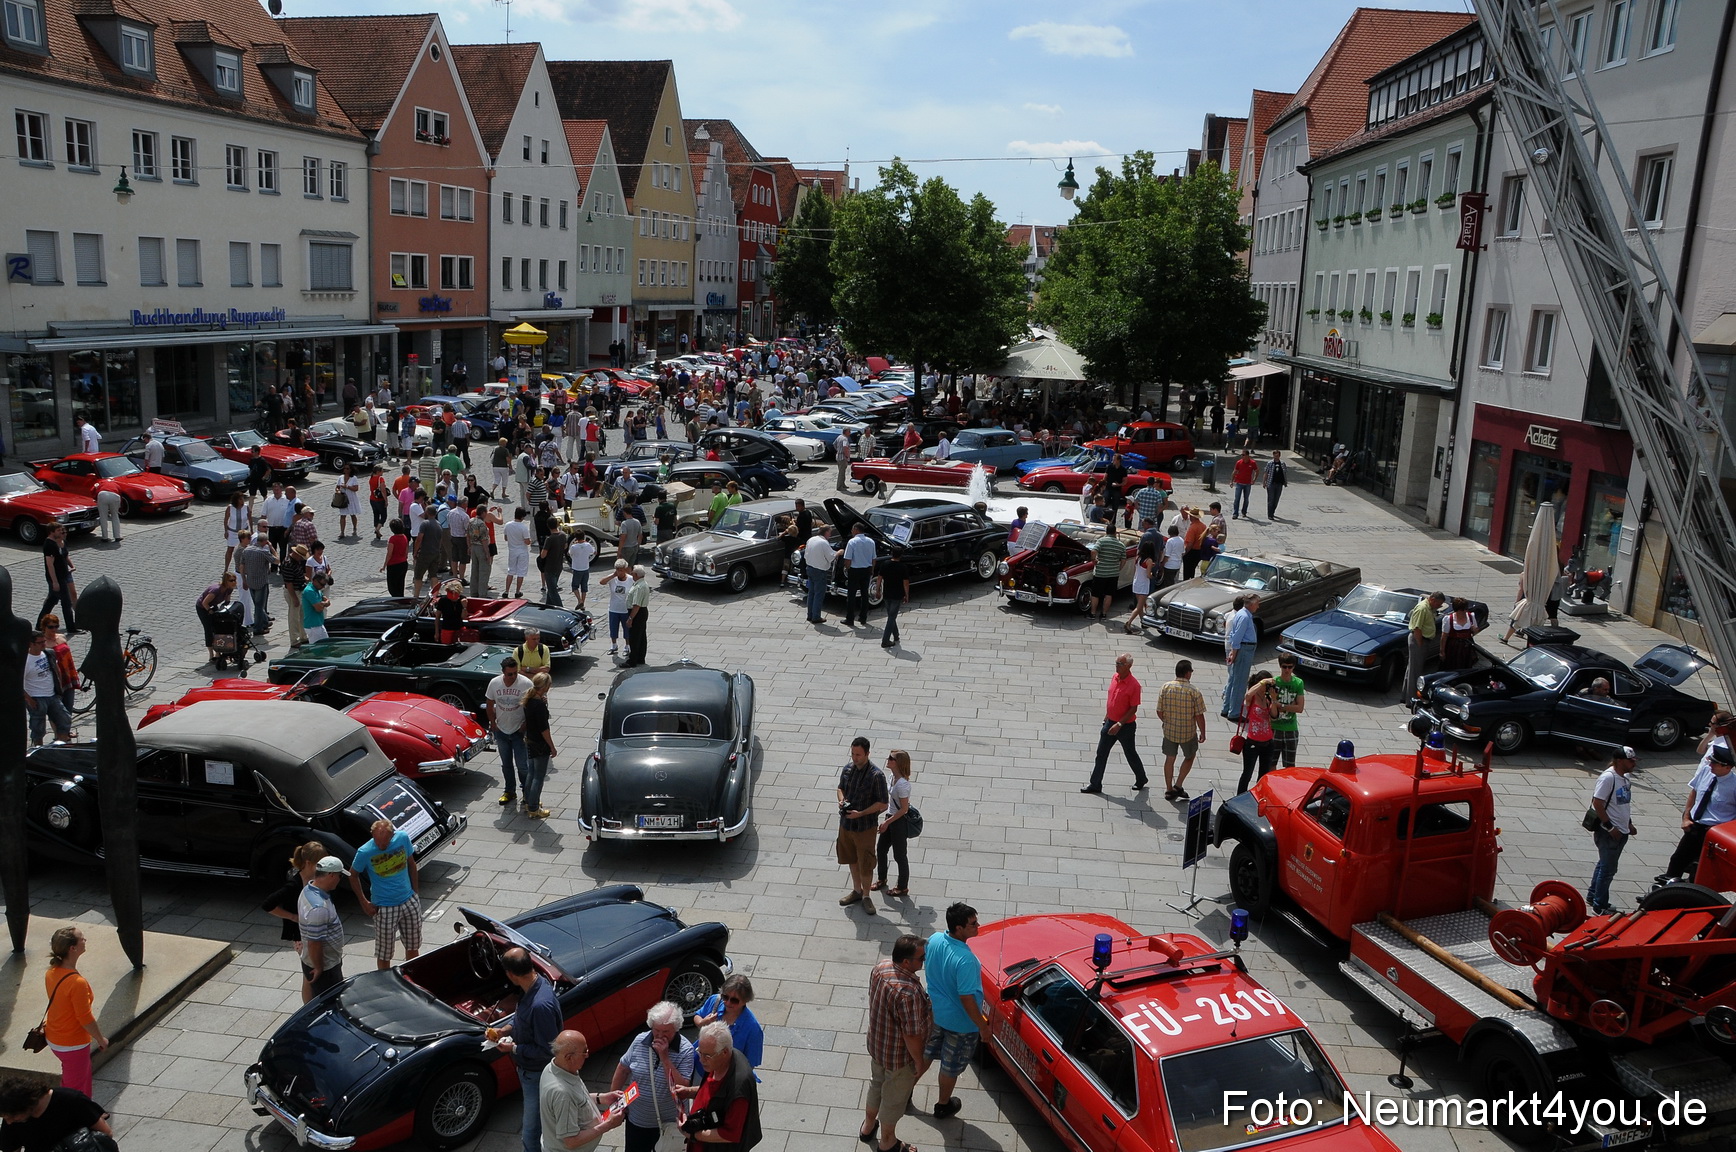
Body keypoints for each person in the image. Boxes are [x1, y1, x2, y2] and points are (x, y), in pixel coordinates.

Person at [862, 935, 932, 1152]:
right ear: (906, 962)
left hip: (878, 1044)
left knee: (876, 1084)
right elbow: (911, 1034)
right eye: (921, 958)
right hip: (899, 1056)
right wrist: (919, 1061)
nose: (924, 961)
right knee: (893, 1098)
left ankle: (867, 1127)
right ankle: (888, 1142)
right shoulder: (908, 992)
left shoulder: (881, 967)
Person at [492, 948, 564, 1152]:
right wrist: (505, 1029)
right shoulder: (533, 986)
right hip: (530, 1073)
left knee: (531, 1130)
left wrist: (513, 1048)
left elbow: (547, 1049)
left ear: (510, 974)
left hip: (537, 1074)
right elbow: (522, 1019)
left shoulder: (540, 1005)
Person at [925, 903, 985, 1120]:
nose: (978, 926)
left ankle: (903, 1094)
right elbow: (967, 998)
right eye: (972, 924)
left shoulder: (933, 940)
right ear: (958, 928)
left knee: (926, 1055)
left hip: (935, 1014)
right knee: (950, 1066)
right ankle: (943, 1105)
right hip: (961, 1024)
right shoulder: (966, 960)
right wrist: (983, 1027)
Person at [611, 1002, 696, 1152]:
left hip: (669, 1123)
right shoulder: (640, 1040)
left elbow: (682, 1086)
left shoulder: (686, 1050)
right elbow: (623, 1069)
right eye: (657, 1030)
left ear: (676, 1029)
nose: (660, 1035)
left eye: (666, 1031)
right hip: (638, 1120)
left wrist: (665, 1058)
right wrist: (615, 1103)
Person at [672, 1022, 761, 1152]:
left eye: (707, 1055)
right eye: (699, 1052)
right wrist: (689, 1092)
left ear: (724, 1052)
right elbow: (712, 1091)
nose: (701, 1059)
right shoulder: (716, 1061)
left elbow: (730, 1134)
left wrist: (692, 1135)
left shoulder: (739, 1088)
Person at [39, 927, 107, 1096]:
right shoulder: (77, 982)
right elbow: (85, 1018)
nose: (85, 940)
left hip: (55, 1034)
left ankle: (89, 1111)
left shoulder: (51, 973)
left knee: (82, 1077)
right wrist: (100, 1039)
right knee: (73, 1087)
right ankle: (75, 1116)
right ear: (73, 948)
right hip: (71, 1042)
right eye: (82, 938)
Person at [1659, 742, 1736, 885]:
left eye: (1715, 763)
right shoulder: (1706, 772)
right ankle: (1664, 888)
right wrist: (1686, 817)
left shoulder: (1734, 786)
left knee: (1700, 869)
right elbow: (1694, 793)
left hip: (1714, 833)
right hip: (1694, 827)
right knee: (1677, 860)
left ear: (1727, 767)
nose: (1711, 764)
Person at [539, 1031, 625, 1152]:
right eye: (584, 1052)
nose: (587, 1055)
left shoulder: (555, 1067)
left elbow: (577, 1100)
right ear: (569, 1057)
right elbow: (571, 1141)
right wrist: (608, 1125)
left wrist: (602, 1098)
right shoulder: (562, 1093)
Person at [263, 840, 326, 1002]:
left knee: (312, 973)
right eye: (319, 863)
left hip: (312, 932)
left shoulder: (314, 878)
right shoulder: (294, 883)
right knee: (309, 976)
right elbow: (268, 904)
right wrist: (293, 917)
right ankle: (308, 1008)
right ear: (308, 863)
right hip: (301, 935)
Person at [838, 736, 889, 915]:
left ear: (867, 753)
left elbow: (883, 803)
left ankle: (866, 896)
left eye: (858, 754)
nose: (855, 758)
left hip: (865, 827)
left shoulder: (876, 775)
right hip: (846, 825)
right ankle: (856, 891)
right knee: (851, 858)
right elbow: (840, 788)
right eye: (853, 753)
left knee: (865, 863)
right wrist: (842, 800)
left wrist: (861, 813)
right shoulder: (847, 769)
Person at [1083, 653, 1147, 793]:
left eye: (1120, 664)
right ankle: (1095, 784)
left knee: (1130, 753)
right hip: (1110, 722)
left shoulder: (1134, 685)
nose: (1117, 666)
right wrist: (1108, 715)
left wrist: (1119, 724)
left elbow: (1133, 708)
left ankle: (1141, 778)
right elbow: (1113, 699)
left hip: (1125, 726)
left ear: (1129, 666)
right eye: (1116, 663)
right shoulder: (1115, 677)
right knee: (1101, 753)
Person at [0, 1076, 114, 1152]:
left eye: (12, 1117)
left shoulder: (71, 1100)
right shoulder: (13, 1119)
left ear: (26, 1105)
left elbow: (105, 1133)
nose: (9, 1122)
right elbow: (11, 1148)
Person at [1588, 747, 1639, 915]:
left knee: (1604, 865)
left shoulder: (1626, 778)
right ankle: (1600, 905)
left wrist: (1629, 824)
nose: (1634, 763)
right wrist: (1610, 827)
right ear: (1619, 761)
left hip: (1621, 830)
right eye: (1630, 760)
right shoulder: (1608, 778)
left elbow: (1624, 804)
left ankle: (1593, 895)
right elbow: (1597, 802)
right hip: (1609, 832)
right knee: (1608, 870)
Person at [298, 855, 348, 997]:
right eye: (340, 876)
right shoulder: (318, 907)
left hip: (315, 960)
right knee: (329, 1002)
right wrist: (319, 967)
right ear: (331, 875)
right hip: (325, 966)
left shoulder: (308, 889)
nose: (340, 880)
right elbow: (315, 942)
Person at [1157, 660, 1206, 801]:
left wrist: (1167, 722)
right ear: (1187, 673)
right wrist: (1203, 732)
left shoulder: (1165, 687)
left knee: (1169, 759)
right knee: (1189, 756)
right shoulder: (1194, 691)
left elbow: (1159, 711)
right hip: (1188, 732)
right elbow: (1199, 715)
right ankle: (1178, 785)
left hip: (1169, 731)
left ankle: (1168, 789)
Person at [694, 974, 764, 1071]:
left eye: (734, 1000)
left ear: (745, 1000)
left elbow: (749, 1064)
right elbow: (697, 1015)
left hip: (725, 1076)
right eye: (725, 997)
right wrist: (702, 1023)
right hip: (699, 1066)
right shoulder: (715, 1001)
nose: (728, 1002)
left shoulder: (753, 1029)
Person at [488, 655, 531, 807]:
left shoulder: (525, 684)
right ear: (503, 672)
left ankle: (527, 793)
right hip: (501, 730)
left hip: (519, 731)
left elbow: (532, 705)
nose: (513, 677)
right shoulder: (495, 683)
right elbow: (489, 703)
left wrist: (525, 725)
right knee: (506, 764)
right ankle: (509, 791)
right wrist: (493, 723)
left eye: (515, 673)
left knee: (522, 766)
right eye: (509, 674)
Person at [873, 750, 915, 897]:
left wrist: (887, 822)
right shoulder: (892, 777)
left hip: (898, 822)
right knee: (881, 849)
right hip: (890, 817)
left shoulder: (903, 785)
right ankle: (881, 878)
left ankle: (902, 886)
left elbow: (903, 809)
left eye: (891, 758)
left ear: (898, 763)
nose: (888, 759)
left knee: (899, 855)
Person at [23, 631, 71, 747]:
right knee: (38, 729)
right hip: (36, 698)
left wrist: (58, 689)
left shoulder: (48, 653)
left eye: (44, 641)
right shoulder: (26, 661)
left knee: (64, 719)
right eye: (40, 642)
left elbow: (56, 670)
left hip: (52, 695)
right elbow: (17, 683)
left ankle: (62, 746)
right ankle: (37, 749)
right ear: (31, 644)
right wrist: (29, 700)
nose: (44, 644)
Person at [1235, 671, 1280, 794]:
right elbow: (1247, 695)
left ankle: (1260, 796)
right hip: (1252, 742)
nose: (1267, 687)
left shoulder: (1268, 699)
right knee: (1247, 773)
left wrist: (1274, 700)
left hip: (1268, 742)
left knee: (1263, 774)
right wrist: (1262, 682)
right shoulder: (1252, 698)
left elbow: (1274, 715)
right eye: (1266, 684)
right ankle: (1240, 796)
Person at [522, 672, 556, 819]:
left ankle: (528, 801)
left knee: (531, 773)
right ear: (546, 686)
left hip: (529, 740)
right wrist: (552, 747)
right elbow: (544, 729)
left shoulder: (529, 700)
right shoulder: (539, 705)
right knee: (538, 777)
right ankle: (534, 808)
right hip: (540, 744)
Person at [1222, 594, 1259, 721]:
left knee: (1233, 679)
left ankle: (1226, 708)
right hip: (1244, 650)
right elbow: (1237, 637)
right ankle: (1235, 712)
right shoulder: (1244, 617)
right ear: (1251, 604)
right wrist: (1235, 653)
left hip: (1242, 649)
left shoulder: (1241, 614)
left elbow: (1234, 634)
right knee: (1240, 682)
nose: (1258, 606)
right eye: (1257, 603)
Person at [1403, 592, 1445, 700]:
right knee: (1415, 671)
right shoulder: (1422, 608)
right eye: (1439, 604)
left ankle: (1405, 696)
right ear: (1432, 600)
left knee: (1411, 669)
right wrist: (1420, 643)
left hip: (1422, 639)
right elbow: (1417, 628)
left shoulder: (1429, 608)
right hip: (1419, 640)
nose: (1439, 606)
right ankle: (1411, 698)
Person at [1270, 654, 1306, 768]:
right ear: (1280, 666)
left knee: (1290, 766)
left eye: (1290, 667)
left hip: (1291, 728)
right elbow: (1271, 707)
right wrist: (1290, 706)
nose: (1287, 670)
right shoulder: (1274, 682)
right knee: (1271, 763)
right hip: (1275, 728)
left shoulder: (1298, 683)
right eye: (1284, 667)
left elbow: (1300, 708)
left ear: (1293, 667)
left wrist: (1281, 705)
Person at [39, 525, 75, 633]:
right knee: (66, 602)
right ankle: (71, 628)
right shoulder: (49, 545)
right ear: (51, 532)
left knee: (52, 600)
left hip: (63, 575)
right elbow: (50, 565)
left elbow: (65, 556)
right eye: (58, 531)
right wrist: (54, 582)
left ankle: (39, 625)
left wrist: (71, 566)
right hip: (57, 578)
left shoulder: (58, 543)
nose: (61, 532)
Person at [196, 572, 238, 664]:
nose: (234, 582)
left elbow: (227, 601)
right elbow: (204, 603)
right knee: (209, 629)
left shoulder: (229, 589)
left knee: (218, 627)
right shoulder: (215, 590)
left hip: (213, 605)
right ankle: (211, 654)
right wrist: (210, 612)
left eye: (235, 580)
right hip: (203, 607)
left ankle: (218, 651)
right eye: (231, 580)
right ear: (225, 581)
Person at [238, 532, 274, 635]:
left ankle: (264, 622)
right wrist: (272, 548)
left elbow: (241, 566)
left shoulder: (246, 550)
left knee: (257, 605)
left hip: (250, 582)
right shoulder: (263, 552)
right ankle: (258, 629)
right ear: (265, 542)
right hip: (261, 583)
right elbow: (276, 561)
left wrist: (244, 580)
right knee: (259, 606)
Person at [842, 522, 877, 628]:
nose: (851, 532)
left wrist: (847, 568)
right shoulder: (871, 541)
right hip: (866, 570)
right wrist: (872, 570)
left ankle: (850, 618)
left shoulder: (852, 542)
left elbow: (848, 559)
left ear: (856, 529)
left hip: (855, 570)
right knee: (865, 594)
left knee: (851, 595)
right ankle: (863, 617)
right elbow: (874, 558)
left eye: (852, 530)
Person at [803, 529, 837, 625]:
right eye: (829, 532)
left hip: (809, 568)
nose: (830, 534)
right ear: (826, 532)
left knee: (811, 593)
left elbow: (806, 555)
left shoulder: (811, 539)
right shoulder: (824, 543)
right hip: (819, 571)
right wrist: (839, 552)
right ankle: (816, 616)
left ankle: (810, 615)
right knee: (819, 594)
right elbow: (831, 557)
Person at [879, 546, 910, 649]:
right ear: (901, 555)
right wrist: (906, 595)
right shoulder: (902, 567)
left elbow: (879, 578)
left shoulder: (885, 564)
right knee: (892, 617)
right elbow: (905, 583)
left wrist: (877, 590)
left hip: (887, 593)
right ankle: (885, 640)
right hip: (897, 595)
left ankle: (896, 635)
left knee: (891, 615)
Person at [601, 560, 634, 655]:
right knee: (613, 628)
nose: (620, 572)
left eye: (621, 570)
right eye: (618, 570)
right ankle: (614, 645)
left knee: (626, 628)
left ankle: (627, 646)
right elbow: (602, 582)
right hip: (614, 608)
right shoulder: (613, 578)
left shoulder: (631, 579)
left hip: (625, 609)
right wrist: (612, 576)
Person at [1440, 596, 1481, 670]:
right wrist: (1442, 651)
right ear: (1456, 610)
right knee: (1453, 666)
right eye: (1462, 610)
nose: (1465, 612)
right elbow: (1444, 636)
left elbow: (1475, 632)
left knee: (1467, 666)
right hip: (1453, 648)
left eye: (1465, 609)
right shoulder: (1449, 619)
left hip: (1467, 647)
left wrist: (1474, 630)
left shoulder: (1471, 616)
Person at [281, 543, 310, 647]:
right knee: (294, 617)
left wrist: (303, 578)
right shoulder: (289, 564)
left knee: (302, 615)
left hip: (299, 590)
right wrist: (294, 599)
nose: (302, 559)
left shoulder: (295, 561)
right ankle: (294, 640)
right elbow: (289, 584)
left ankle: (303, 636)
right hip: (293, 592)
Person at [504, 507, 534, 598]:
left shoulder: (508, 525)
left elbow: (505, 538)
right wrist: (530, 541)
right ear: (522, 517)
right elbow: (527, 541)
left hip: (512, 551)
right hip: (522, 552)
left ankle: (506, 591)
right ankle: (517, 591)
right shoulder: (523, 527)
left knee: (511, 571)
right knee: (521, 572)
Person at [623, 565, 651, 666]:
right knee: (641, 636)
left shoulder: (639, 587)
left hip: (637, 613)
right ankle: (640, 657)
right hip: (642, 612)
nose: (631, 575)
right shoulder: (642, 583)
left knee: (634, 637)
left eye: (633, 573)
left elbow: (636, 605)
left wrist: (630, 618)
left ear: (636, 574)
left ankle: (632, 660)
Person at [380, 519, 410, 598]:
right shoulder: (404, 537)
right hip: (403, 563)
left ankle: (397, 602)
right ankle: (401, 600)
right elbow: (406, 551)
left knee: (392, 588)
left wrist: (384, 566)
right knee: (400, 585)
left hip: (393, 565)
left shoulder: (392, 539)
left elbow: (389, 554)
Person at [301, 570, 331, 643]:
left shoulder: (317, 590)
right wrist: (325, 603)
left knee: (326, 645)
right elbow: (319, 608)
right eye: (321, 584)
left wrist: (323, 603)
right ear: (315, 581)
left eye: (324, 585)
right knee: (316, 648)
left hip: (319, 623)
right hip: (313, 625)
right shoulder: (309, 591)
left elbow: (327, 602)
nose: (323, 587)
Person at [569, 534, 596, 608]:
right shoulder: (588, 545)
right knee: (584, 587)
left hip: (577, 568)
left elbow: (570, 553)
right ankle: (582, 604)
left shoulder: (574, 547)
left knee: (575, 586)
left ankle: (579, 600)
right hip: (585, 568)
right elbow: (594, 552)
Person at [1230, 448, 1258, 519]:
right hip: (1239, 483)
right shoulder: (1239, 462)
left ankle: (1244, 512)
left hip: (1247, 483)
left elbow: (1257, 471)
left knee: (1246, 499)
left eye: (1243, 455)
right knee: (1237, 499)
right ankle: (1235, 513)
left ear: (1248, 455)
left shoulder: (1252, 463)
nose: (1242, 456)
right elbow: (1234, 471)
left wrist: (1254, 480)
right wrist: (1231, 481)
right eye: (1241, 455)